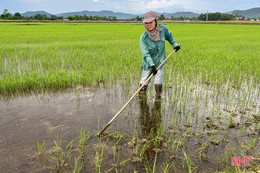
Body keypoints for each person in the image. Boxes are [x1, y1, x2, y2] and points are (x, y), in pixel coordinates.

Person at [139, 11, 180, 98]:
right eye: (146, 23)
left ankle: (158, 99)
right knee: (144, 82)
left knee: (158, 81)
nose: (148, 25)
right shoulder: (143, 38)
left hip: (161, 61)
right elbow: (146, 54)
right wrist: (152, 66)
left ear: (156, 21)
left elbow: (169, 36)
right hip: (148, 64)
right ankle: (142, 99)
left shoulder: (163, 29)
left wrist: (175, 45)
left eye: (150, 22)